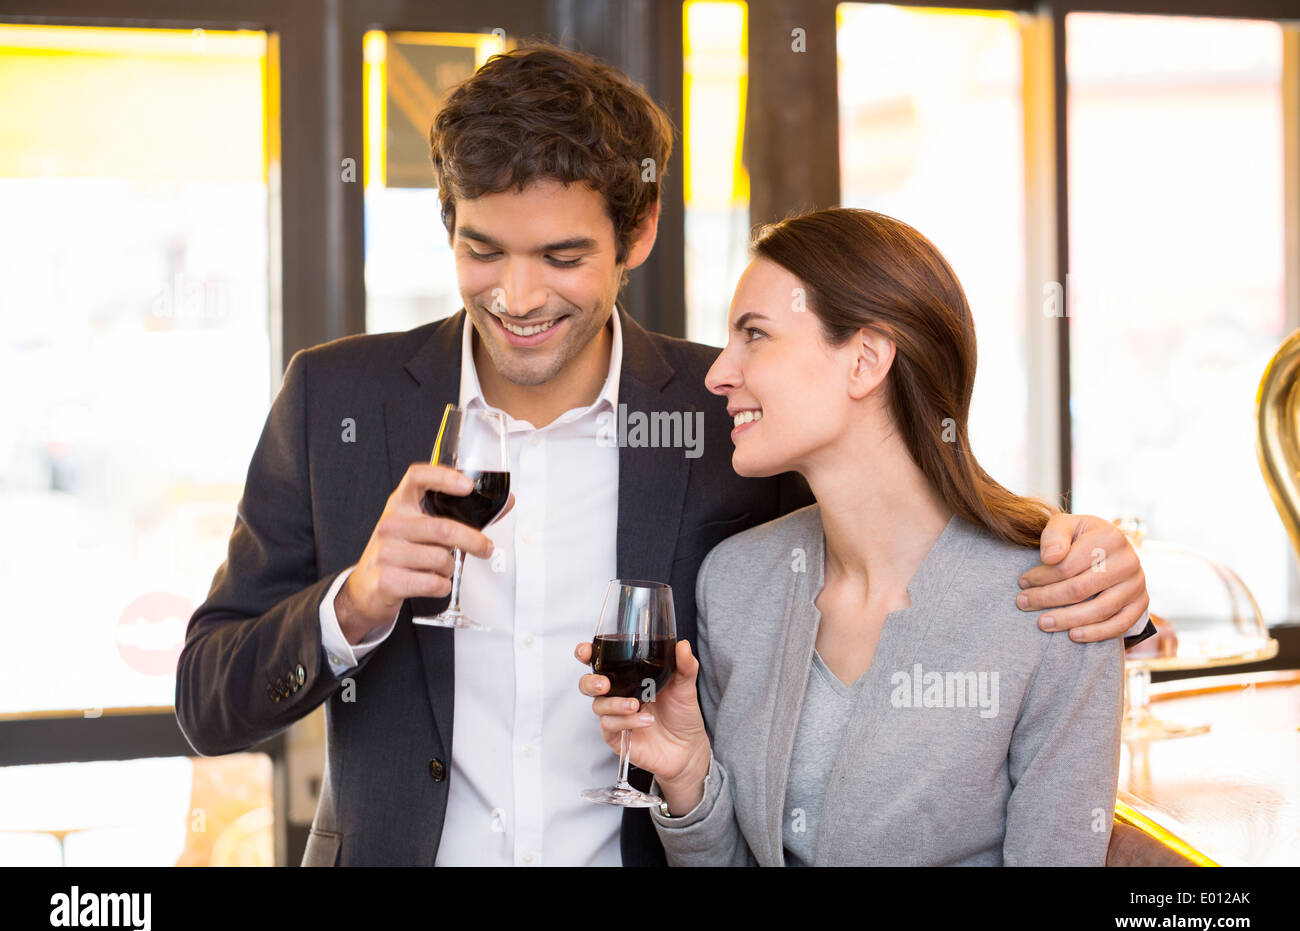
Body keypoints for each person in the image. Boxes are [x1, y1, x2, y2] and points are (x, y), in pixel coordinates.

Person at [177, 43, 1152, 867]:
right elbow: (209, 701)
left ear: (636, 231)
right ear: (448, 222)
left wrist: (1076, 551)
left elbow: (899, 507)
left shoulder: (727, 413)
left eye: (561, 257)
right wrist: (353, 602)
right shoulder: (336, 397)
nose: (516, 297)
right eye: (482, 250)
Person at [577, 208, 1143, 865]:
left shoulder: (1058, 603)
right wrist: (686, 776)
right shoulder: (735, 581)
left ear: (866, 360)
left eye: (754, 335)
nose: (718, 374)